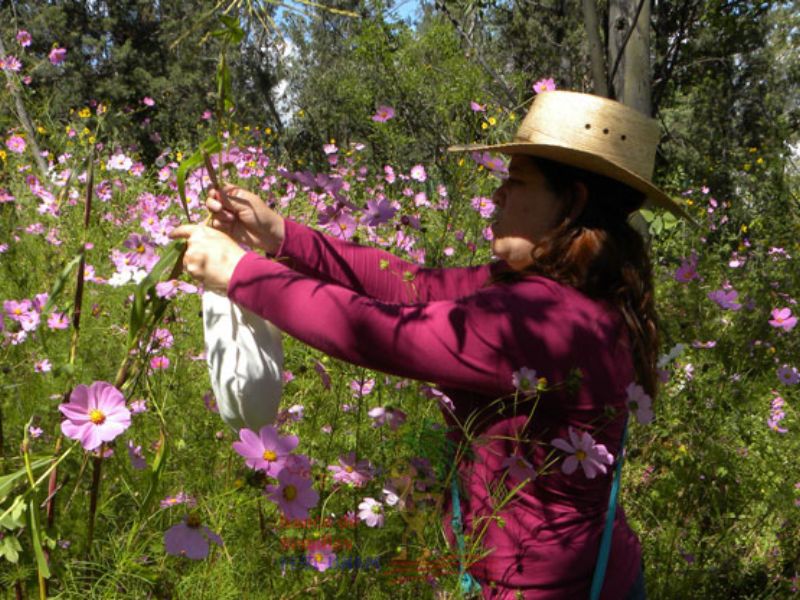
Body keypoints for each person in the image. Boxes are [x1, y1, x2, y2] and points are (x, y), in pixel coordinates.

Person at [171, 91, 693, 599]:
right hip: (594, 574)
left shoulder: (541, 323)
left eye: (516, 182)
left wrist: (240, 272)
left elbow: (378, 333)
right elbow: (410, 285)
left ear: (572, 202)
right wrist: (282, 235)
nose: (498, 196)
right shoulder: (563, 293)